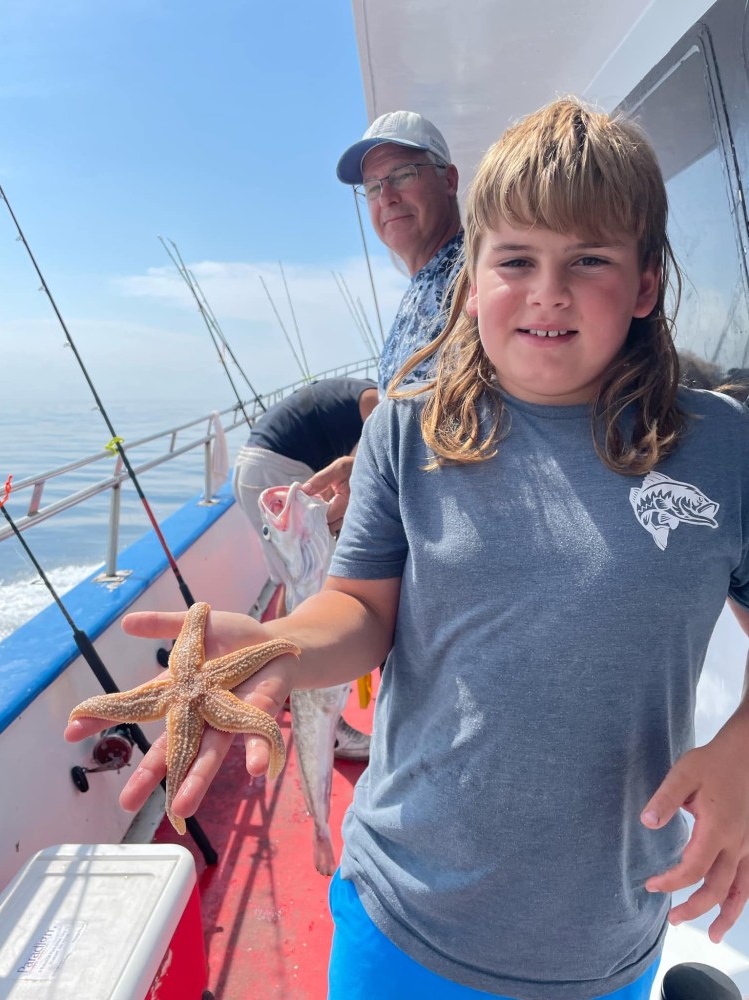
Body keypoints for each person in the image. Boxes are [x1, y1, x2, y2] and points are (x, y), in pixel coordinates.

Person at [68, 98, 749, 999]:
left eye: (589, 261)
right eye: (515, 260)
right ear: (471, 281)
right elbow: (359, 608)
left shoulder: (720, 446)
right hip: (399, 908)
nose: (547, 290)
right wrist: (279, 648)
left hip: (603, 932)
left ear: (647, 284)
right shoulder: (407, 428)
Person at [305, 110, 465, 526]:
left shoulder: (477, 276)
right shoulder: (420, 288)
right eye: (373, 187)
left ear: (449, 180)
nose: (386, 197)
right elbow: (397, 409)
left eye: (402, 175)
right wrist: (359, 467)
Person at [232, 375, 378, 760]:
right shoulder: (380, 402)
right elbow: (379, 450)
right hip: (278, 470)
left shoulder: (355, 393)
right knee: (312, 585)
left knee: (295, 582)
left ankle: (284, 678)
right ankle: (318, 710)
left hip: (256, 465)